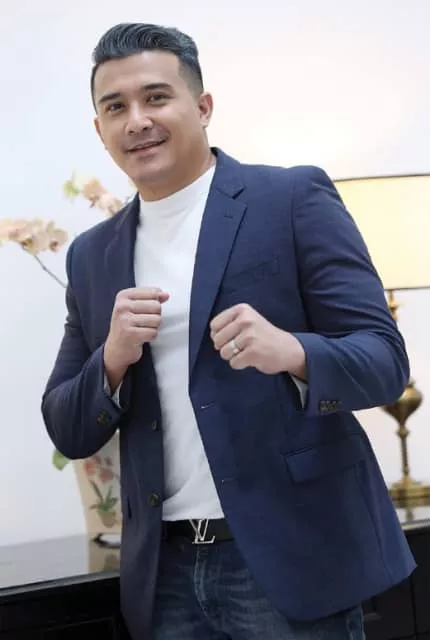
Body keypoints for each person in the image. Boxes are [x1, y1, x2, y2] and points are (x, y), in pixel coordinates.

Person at [41, 22, 415, 640]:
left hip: (289, 558)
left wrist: (293, 352)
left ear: (203, 106)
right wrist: (111, 358)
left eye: (156, 97)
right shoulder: (91, 254)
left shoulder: (290, 198)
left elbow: (384, 363)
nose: (137, 120)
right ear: (100, 130)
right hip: (164, 572)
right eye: (116, 107)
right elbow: (67, 426)